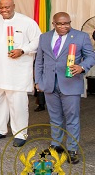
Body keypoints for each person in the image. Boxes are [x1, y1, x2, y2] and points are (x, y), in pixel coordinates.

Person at [0, 0, 41, 147]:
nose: (4, 10)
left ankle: (20, 133)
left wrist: (23, 50)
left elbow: (38, 41)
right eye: (1, 7)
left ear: (13, 6)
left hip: (17, 72)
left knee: (17, 103)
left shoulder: (27, 22)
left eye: (7, 7)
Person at [34, 12, 95, 164]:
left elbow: (91, 56)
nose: (64, 26)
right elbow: (39, 61)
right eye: (60, 24)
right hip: (49, 83)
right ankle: (56, 145)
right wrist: (38, 81)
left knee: (72, 118)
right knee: (54, 117)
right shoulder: (44, 37)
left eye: (67, 23)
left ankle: (72, 149)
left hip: (70, 83)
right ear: (53, 24)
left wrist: (82, 67)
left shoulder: (81, 36)